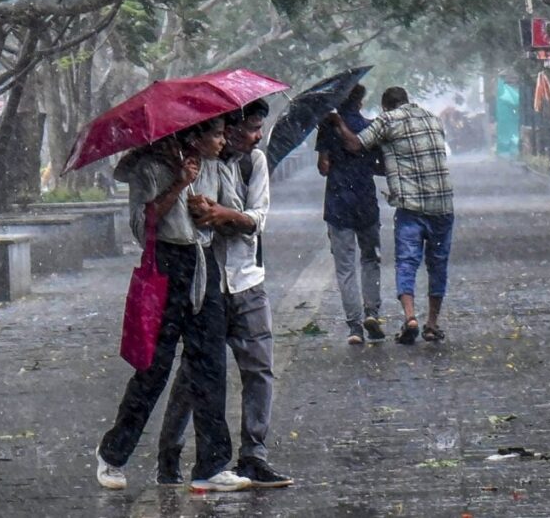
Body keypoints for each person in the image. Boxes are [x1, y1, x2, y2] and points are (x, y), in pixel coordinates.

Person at [95, 117, 252, 493]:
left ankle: (212, 464)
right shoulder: (148, 168)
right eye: (216, 134)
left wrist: (212, 212)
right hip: (166, 267)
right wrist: (179, 183)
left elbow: (234, 219)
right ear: (193, 136)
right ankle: (113, 454)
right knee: (154, 370)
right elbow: (143, 226)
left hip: (203, 265)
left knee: (210, 366)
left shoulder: (215, 167)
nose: (222, 141)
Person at [158, 100, 294, 488]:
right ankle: (170, 452)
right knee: (194, 373)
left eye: (259, 128)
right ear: (227, 129)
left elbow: (257, 219)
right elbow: (185, 221)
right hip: (206, 285)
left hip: (248, 281)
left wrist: (226, 215)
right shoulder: (197, 164)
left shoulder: (254, 163)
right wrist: (205, 210)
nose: (257, 136)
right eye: (251, 127)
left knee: (259, 370)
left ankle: (254, 455)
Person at [328, 86, 454, 344]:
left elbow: (355, 144)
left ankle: (410, 317)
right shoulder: (433, 118)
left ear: (385, 107)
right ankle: (432, 324)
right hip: (443, 205)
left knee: (407, 262)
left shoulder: (387, 121)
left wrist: (337, 122)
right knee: (437, 264)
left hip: (411, 207)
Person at [315, 84, 385, 345]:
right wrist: (363, 166)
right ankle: (372, 313)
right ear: (360, 102)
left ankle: (355, 326)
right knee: (371, 259)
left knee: (345, 268)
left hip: (338, 204)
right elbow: (381, 166)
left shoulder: (326, 128)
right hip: (366, 202)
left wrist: (333, 155)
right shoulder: (371, 127)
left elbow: (323, 168)